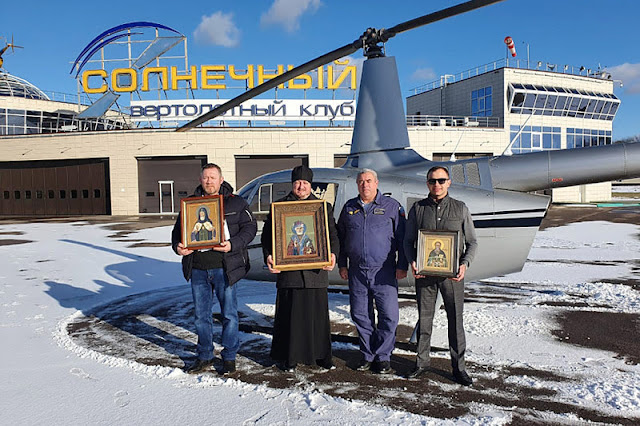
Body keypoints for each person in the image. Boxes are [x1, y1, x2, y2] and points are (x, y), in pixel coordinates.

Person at [171, 163, 257, 374]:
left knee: (229, 314)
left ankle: (229, 356)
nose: (209, 181)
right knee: (201, 316)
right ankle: (205, 355)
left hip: (224, 268)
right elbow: (177, 232)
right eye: (205, 178)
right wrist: (178, 247)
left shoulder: (236, 203)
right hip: (199, 269)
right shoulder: (190, 205)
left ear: (221, 179)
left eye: (212, 177)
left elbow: (250, 227)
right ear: (200, 180)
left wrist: (233, 244)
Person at [403, 166, 478, 386]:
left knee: (455, 322)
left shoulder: (460, 208)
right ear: (427, 183)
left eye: (441, 180)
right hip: (425, 274)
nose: (437, 185)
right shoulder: (417, 209)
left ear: (448, 182)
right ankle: (421, 363)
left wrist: (464, 264)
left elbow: (472, 242)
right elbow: (408, 241)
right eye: (432, 181)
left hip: (452, 277)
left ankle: (459, 368)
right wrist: (413, 260)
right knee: (425, 320)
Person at [261, 164, 339, 371]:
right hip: (290, 273)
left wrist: (333, 254)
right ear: (292, 185)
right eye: (297, 183)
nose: (301, 187)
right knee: (291, 317)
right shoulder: (279, 207)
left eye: (304, 183)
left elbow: (332, 235)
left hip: (315, 272)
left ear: (310, 185)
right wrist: (269, 255)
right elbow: (267, 237)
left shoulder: (322, 207)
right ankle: (289, 357)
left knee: (317, 316)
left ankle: (322, 356)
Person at [337, 169, 408, 374]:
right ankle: (367, 354)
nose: (364, 185)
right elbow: (341, 239)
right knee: (360, 314)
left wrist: (402, 264)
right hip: (357, 271)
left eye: (368, 181)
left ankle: (383, 356)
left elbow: (402, 238)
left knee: (389, 316)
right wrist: (343, 264)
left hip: (384, 271)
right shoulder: (349, 207)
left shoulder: (391, 207)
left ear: (376, 183)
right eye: (361, 181)